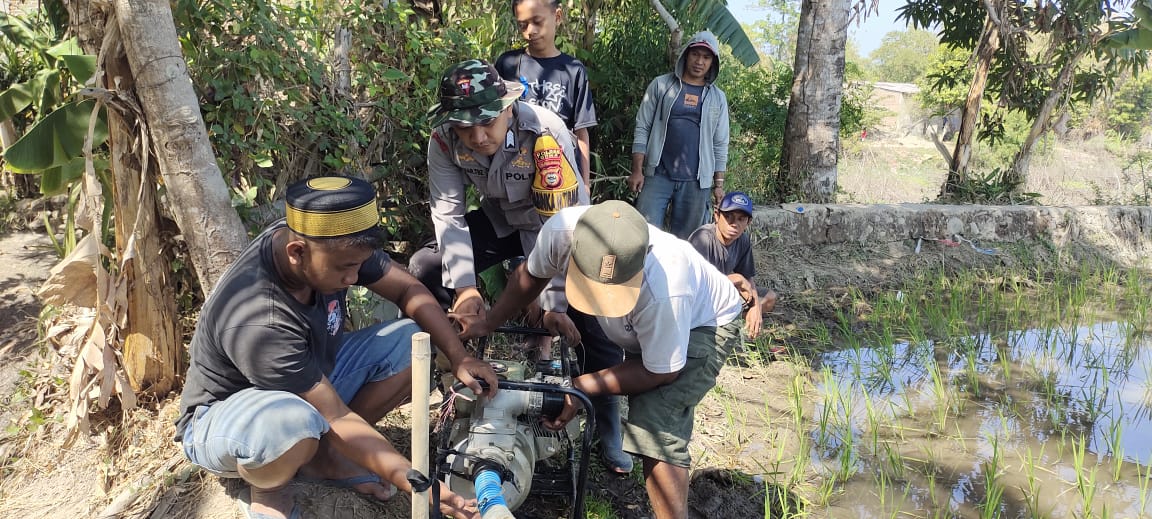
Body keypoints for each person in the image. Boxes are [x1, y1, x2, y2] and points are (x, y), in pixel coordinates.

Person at [175, 176, 500, 519]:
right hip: (227, 419)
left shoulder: (328, 241)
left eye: (360, 265)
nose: (354, 278)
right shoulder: (261, 321)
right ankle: (269, 490)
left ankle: (328, 457)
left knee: (411, 344)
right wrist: (415, 481)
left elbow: (409, 290)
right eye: (346, 269)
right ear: (296, 252)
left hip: (309, 378)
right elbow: (336, 415)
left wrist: (459, 356)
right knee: (293, 421)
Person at [408, 59, 633, 474]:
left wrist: (552, 304)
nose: (477, 137)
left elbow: (564, 225)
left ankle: (607, 424)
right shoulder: (442, 142)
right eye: (464, 127)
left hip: (560, 227)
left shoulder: (545, 134)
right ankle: (456, 386)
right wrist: (465, 288)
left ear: (509, 107)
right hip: (502, 221)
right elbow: (450, 216)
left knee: (595, 318)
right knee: (424, 268)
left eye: (488, 123)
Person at [460, 200, 745, 519]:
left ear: (643, 258)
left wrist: (579, 388)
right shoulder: (564, 230)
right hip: (652, 319)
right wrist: (489, 322)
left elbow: (660, 372)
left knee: (656, 420)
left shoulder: (667, 288)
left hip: (702, 324)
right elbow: (531, 276)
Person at [627, 30, 731, 239]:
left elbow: (720, 143)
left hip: (696, 182)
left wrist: (718, 185)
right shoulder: (661, 85)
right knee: (644, 236)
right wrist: (637, 170)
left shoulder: (717, 98)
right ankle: (645, 273)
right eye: (695, 54)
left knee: (688, 243)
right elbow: (642, 127)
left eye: (706, 57)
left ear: (713, 62)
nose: (699, 61)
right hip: (657, 175)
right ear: (686, 54)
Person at [494, 0, 597, 194]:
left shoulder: (573, 70)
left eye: (537, 21)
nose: (529, 31)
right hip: (516, 172)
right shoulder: (507, 64)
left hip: (560, 173)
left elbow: (581, 131)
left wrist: (585, 183)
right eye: (522, 24)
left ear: (557, 17)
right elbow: (494, 121)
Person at [688, 191, 778, 340]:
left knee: (769, 298)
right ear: (717, 216)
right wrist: (736, 278)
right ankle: (719, 323)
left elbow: (748, 278)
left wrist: (755, 307)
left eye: (741, 219)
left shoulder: (742, 240)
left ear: (748, 223)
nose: (734, 223)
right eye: (728, 217)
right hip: (699, 297)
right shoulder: (703, 239)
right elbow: (697, 286)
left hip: (724, 290)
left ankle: (742, 319)